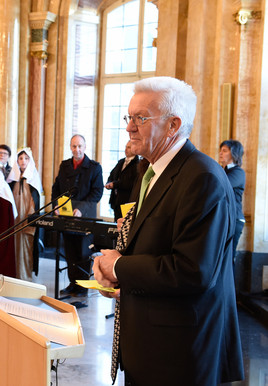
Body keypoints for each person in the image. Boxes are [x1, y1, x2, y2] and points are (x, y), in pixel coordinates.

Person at [93, 76, 243, 385]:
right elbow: (159, 242)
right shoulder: (152, 172)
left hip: (178, 355)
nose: (129, 127)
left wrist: (119, 266)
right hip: (149, 344)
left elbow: (192, 270)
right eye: (128, 117)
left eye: (140, 118)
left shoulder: (202, 179)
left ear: (174, 125)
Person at [51, 134, 103, 296]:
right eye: (74, 146)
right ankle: (73, 284)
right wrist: (56, 205)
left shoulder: (95, 167)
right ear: (70, 147)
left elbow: (97, 192)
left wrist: (81, 209)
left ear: (85, 147)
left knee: (83, 254)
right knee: (70, 252)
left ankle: (83, 287)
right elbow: (56, 188)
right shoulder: (65, 165)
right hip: (66, 216)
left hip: (85, 217)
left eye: (80, 146)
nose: (77, 149)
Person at [7, 147, 42, 281]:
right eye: (20, 158)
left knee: (27, 247)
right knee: (15, 246)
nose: (23, 161)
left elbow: (35, 200)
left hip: (27, 218)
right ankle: (14, 274)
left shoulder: (33, 176)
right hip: (15, 218)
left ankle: (25, 276)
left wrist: (30, 217)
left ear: (30, 160)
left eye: (26, 158)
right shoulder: (13, 178)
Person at [219, 139, 246, 263]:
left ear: (234, 154)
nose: (220, 153)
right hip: (226, 218)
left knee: (228, 258)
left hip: (234, 219)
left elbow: (220, 186)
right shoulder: (222, 171)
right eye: (220, 150)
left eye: (224, 150)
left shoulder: (238, 172)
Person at [105, 141, 140, 220]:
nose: (126, 149)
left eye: (129, 147)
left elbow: (131, 183)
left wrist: (115, 184)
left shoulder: (137, 164)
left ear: (135, 148)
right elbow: (112, 175)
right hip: (116, 202)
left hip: (127, 202)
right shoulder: (121, 162)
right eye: (125, 147)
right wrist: (108, 183)